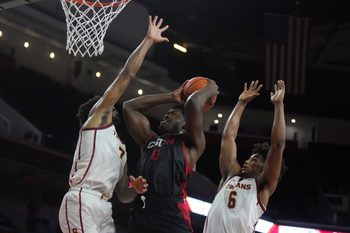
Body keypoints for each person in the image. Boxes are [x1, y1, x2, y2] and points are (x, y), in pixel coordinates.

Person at [58, 15, 170, 233]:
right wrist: (148, 41)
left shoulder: (120, 149)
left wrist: (135, 189)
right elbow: (126, 75)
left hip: (104, 207)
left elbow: (123, 195)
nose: (109, 105)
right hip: (83, 199)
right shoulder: (96, 122)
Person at [123, 78, 219, 233]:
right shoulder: (149, 140)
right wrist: (171, 96)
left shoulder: (192, 145)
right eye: (166, 113)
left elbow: (193, 104)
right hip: (143, 212)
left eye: (172, 114)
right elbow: (129, 107)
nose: (165, 116)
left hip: (171, 216)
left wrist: (210, 89)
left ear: (185, 123)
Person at [203, 80, 287, 233]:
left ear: (264, 168)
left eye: (254, 160)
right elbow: (228, 136)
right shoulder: (231, 174)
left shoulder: (263, 187)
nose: (248, 161)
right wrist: (240, 104)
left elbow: (278, 145)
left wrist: (278, 105)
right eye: (250, 158)